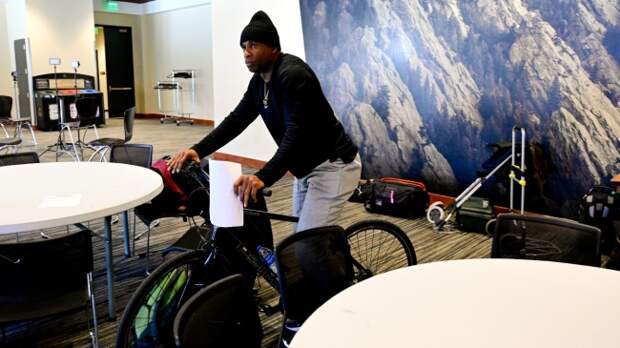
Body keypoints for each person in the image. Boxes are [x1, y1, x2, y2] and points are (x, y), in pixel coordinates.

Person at [169, 10, 361, 232]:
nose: (246, 53)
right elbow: (236, 121)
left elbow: (295, 134)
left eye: (253, 45)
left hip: (333, 165)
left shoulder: (294, 76)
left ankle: (335, 264)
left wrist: (263, 176)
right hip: (304, 168)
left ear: (274, 48)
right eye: (243, 47)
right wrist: (198, 150)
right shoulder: (258, 83)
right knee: (302, 241)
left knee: (308, 242)